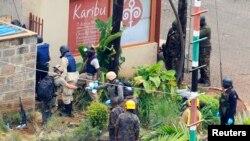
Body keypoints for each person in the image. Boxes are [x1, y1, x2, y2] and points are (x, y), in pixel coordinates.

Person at [59, 45, 79, 116]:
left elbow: (64, 71)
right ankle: (69, 110)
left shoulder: (64, 58)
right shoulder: (72, 57)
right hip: (75, 77)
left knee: (66, 95)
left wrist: (61, 79)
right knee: (70, 95)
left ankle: (68, 112)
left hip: (69, 78)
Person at [35, 35, 50, 100]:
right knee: (45, 82)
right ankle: (45, 95)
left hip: (38, 66)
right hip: (46, 66)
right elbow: (49, 57)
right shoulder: (47, 45)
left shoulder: (36, 47)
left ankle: (39, 96)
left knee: (37, 81)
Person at [198, 16, 211, 87]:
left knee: (205, 64)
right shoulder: (202, 27)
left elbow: (198, 35)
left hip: (205, 48)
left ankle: (207, 81)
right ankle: (202, 78)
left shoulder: (206, 28)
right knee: (200, 63)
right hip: (201, 47)